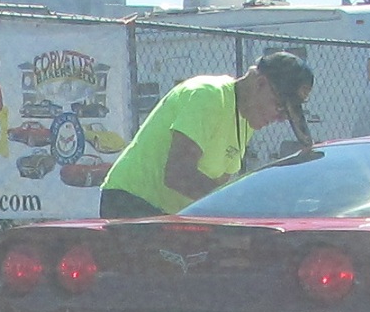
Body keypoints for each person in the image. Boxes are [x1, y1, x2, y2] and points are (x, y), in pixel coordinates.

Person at [97, 49, 316, 218]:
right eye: (280, 107)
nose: (280, 119)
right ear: (260, 84)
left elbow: (218, 185)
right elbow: (178, 174)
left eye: (287, 114)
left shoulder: (246, 120)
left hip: (172, 215)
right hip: (130, 205)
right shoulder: (208, 95)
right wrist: (236, 208)